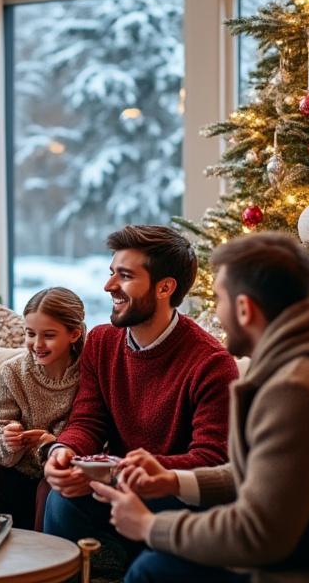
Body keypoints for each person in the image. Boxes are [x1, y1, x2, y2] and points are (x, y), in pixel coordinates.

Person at [91, 232, 309, 582]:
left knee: (152, 570)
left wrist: (149, 526)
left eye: (218, 300)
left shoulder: (299, 388)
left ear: (244, 309)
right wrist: (174, 480)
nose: (216, 315)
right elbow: (264, 476)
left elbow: (258, 534)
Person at [41, 225, 238, 567]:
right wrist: (63, 452)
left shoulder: (212, 364)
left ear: (165, 287)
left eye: (125, 276)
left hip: (174, 497)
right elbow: (88, 421)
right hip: (118, 484)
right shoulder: (102, 342)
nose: (109, 286)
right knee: (60, 497)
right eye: (111, 272)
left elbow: (211, 460)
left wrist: (115, 472)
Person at [0, 287, 87, 530]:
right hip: (20, 475)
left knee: (50, 486)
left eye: (49, 335)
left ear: (74, 334)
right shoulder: (12, 372)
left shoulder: (90, 373)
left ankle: (42, 549)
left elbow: (94, 433)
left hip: (62, 473)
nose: (37, 344)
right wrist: (7, 439)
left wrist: (53, 445)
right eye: (30, 333)